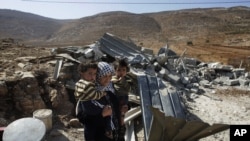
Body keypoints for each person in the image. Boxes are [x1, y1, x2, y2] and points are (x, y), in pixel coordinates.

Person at [80, 61, 122, 141]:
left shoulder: (109, 90)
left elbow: (116, 110)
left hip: (114, 133)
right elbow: (85, 119)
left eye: (110, 76)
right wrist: (102, 115)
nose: (108, 79)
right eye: (104, 76)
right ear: (98, 76)